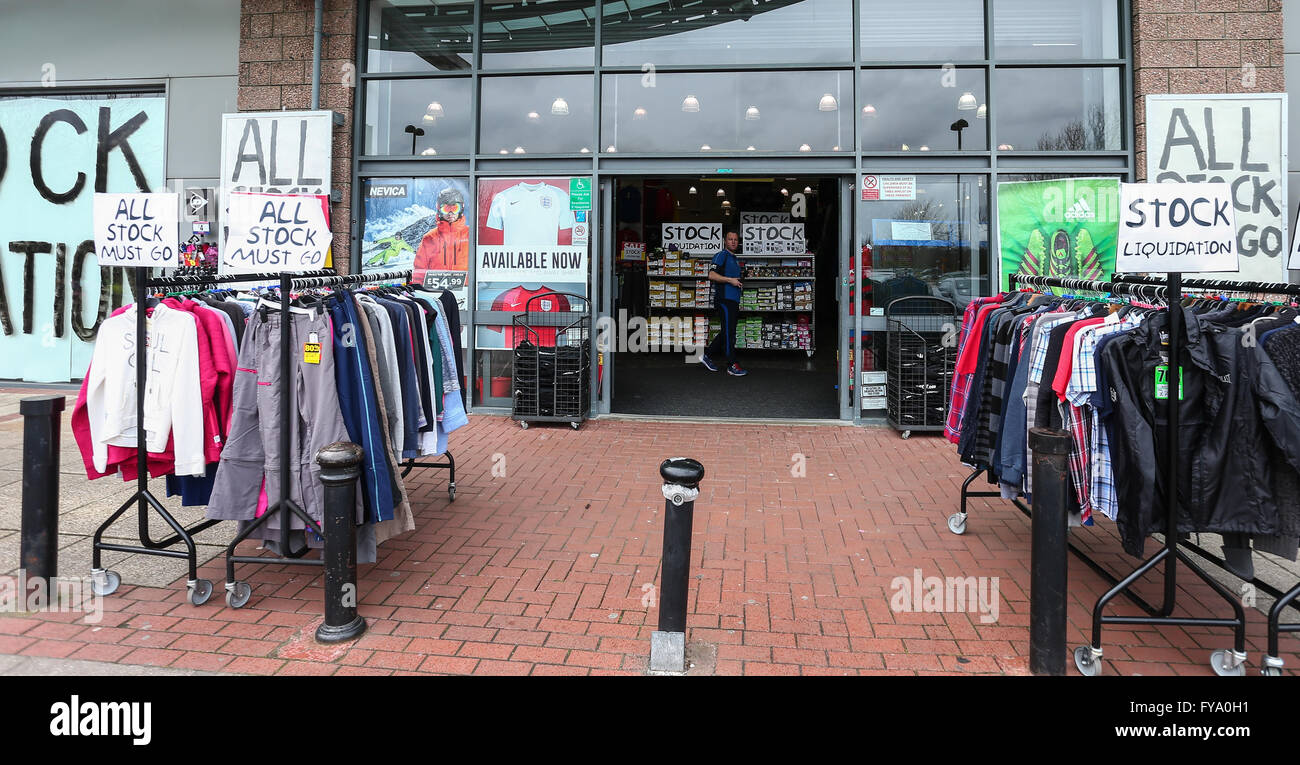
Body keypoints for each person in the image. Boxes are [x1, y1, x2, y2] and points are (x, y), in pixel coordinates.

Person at [701, 230, 747, 376]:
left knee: (728, 331)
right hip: (724, 300)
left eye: (735, 239)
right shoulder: (722, 255)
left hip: (732, 300)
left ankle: (706, 355)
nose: (733, 241)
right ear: (725, 241)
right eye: (730, 239)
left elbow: (732, 279)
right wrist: (730, 280)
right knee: (730, 333)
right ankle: (732, 364)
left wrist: (738, 282)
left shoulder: (734, 258)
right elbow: (711, 275)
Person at [413, 187, 470, 272]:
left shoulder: (471, 235)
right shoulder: (429, 238)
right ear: (439, 209)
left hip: (466, 285)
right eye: (446, 209)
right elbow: (419, 270)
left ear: (461, 209)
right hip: (436, 285)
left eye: (455, 208)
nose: (451, 214)